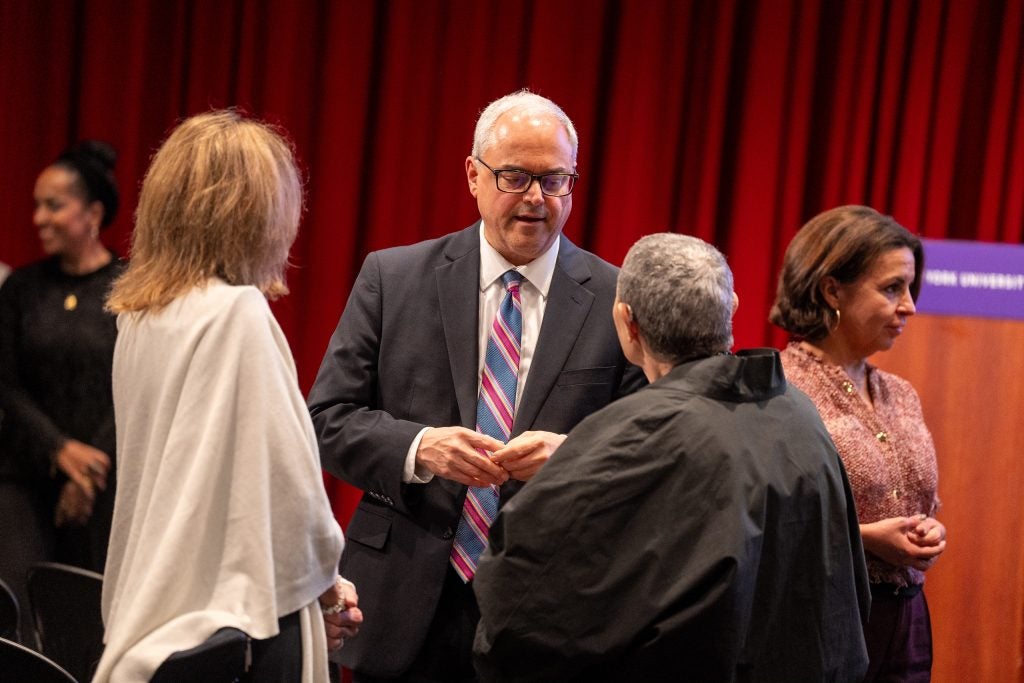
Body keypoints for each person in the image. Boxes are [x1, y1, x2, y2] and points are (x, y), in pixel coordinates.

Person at [308, 90, 646, 681]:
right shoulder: (394, 277)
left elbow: (649, 449)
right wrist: (419, 449)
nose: (537, 199)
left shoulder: (617, 299)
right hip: (401, 603)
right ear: (473, 174)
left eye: (555, 180)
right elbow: (327, 418)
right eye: (515, 177)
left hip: (551, 616)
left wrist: (572, 457)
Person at [472, 233, 871, 682]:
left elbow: (517, 606)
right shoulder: (797, 412)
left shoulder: (624, 437)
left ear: (627, 323)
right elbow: (846, 586)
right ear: (731, 308)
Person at [93, 110, 362, 682]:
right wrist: (330, 586)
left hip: (152, 610)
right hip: (238, 632)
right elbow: (291, 493)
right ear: (256, 216)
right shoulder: (237, 313)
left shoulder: (139, 318)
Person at [769, 205, 946, 682]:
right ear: (832, 290)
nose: (909, 305)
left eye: (910, 288)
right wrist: (866, 540)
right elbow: (759, 522)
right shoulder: (779, 387)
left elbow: (920, 501)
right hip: (820, 618)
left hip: (907, 623)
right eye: (892, 289)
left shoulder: (900, 392)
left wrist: (929, 532)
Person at [0, 141, 122, 642]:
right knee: (17, 615)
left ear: (93, 212)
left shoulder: (131, 287)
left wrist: (89, 470)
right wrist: (60, 450)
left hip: (106, 480)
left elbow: (138, 388)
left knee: (86, 620)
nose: (38, 218)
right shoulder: (21, 289)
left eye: (54, 205)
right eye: (37, 205)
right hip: (24, 473)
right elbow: (5, 383)